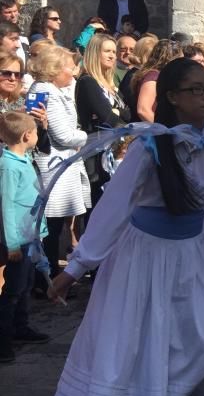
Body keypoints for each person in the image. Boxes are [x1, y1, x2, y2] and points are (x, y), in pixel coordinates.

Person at [41, 59, 204, 396]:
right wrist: (75, 267)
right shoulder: (150, 146)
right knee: (132, 340)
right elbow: (114, 209)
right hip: (143, 257)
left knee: (203, 335)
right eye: (197, 89)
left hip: (190, 255)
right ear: (172, 97)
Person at [29, 47, 89, 284]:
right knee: (50, 228)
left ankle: (48, 275)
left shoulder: (53, 88)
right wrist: (88, 137)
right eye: (68, 67)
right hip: (53, 166)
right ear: (54, 69)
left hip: (61, 165)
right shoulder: (45, 91)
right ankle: (47, 277)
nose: (73, 73)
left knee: (54, 226)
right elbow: (63, 135)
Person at [0, 111, 49, 363]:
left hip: (30, 235)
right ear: (26, 135)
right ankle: (3, 339)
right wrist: (12, 244)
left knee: (26, 284)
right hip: (17, 239)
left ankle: (21, 327)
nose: (38, 135)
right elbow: (6, 206)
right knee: (12, 290)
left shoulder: (25, 159)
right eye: (37, 132)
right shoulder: (8, 166)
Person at [74, 33, 130, 204]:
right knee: (97, 203)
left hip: (113, 150)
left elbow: (129, 115)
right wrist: (117, 112)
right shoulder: (88, 82)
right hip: (95, 155)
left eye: (113, 51)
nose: (112, 55)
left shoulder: (110, 85)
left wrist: (116, 111)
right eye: (107, 51)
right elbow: (109, 118)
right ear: (94, 53)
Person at [130, 39, 182, 122]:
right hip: (151, 132)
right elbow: (143, 110)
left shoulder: (159, 76)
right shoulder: (153, 77)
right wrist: (164, 130)